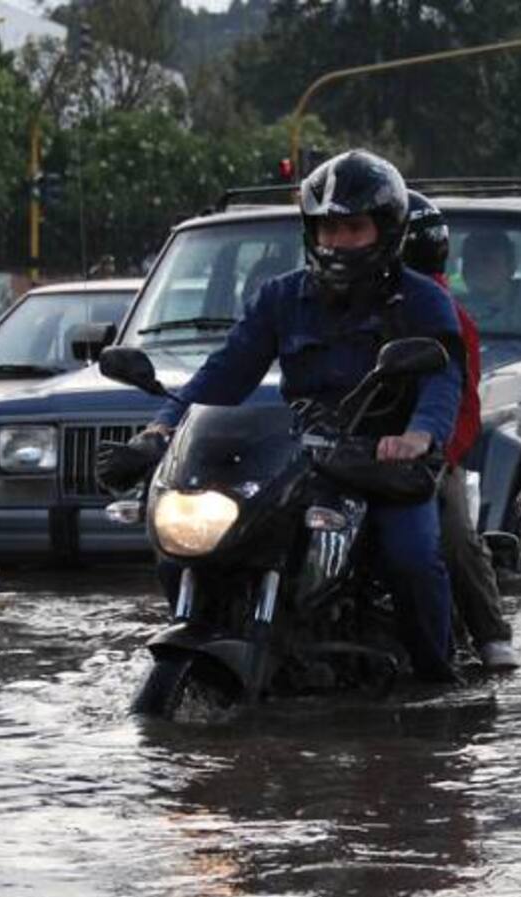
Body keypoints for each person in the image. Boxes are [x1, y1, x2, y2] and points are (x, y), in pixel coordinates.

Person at [102, 150, 464, 682]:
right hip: (306, 454)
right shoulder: (282, 298)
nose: (336, 242)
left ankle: (438, 683)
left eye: (352, 228)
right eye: (326, 229)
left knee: (410, 555)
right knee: (188, 545)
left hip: (382, 462)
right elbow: (224, 374)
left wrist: (417, 434)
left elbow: (442, 377)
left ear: (385, 231)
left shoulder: (422, 300)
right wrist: (163, 427)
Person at [402, 189, 519, 670]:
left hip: (427, 455)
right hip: (348, 450)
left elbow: (463, 404)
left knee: (450, 532)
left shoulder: (447, 316)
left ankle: (490, 633)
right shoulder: (336, 309)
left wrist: (436, 450)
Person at [459, 230, 521, 335]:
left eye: (487, 260)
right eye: (470, 261)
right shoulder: (451, 309)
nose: (478, 268)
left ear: (510, 266)